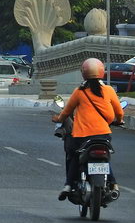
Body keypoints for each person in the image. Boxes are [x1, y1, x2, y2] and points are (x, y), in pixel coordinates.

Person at [52, 58, 124, 201]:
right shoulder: (108, 90)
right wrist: (119, 121)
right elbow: (119, 112)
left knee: (73, 156)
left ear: (83, 74)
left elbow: (66, 112)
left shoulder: (79, 92)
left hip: (82, 136)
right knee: (104, 159)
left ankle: (67, 185)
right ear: (102, 72)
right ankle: (114, 184)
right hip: (104, 134)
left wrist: (58, 119)